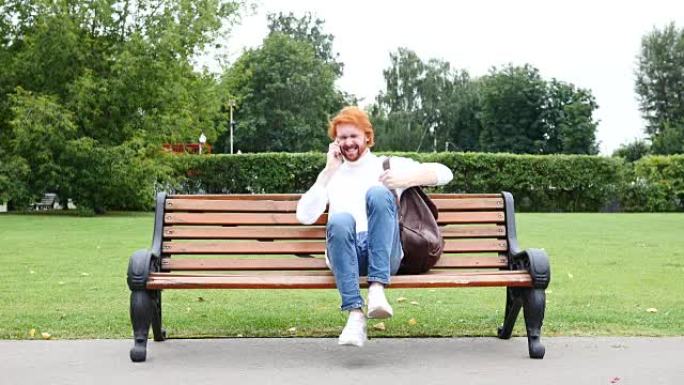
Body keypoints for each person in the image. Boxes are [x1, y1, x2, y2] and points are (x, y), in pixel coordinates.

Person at [296, 106, 453, 347]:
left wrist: (404, 181)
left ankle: (377, 288)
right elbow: (305, 215)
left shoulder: (387, 166)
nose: (348, 143)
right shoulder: (331, 175)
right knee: (339, 220)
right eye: (342, 138)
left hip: (384, 252)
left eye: (353, 136)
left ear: (367, 137)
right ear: (335, 143)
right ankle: (355, 315)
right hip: (347, 254)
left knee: (379, 194)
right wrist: (328, 170)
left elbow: (444, 173)